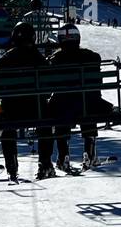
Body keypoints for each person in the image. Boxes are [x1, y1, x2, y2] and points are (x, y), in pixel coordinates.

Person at [47, 20, 111, 169]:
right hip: (89, 103)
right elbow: (97, 82)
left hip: (62, 105)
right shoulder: (92, 57)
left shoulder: (54, 60)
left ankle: (63, 156)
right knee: (88, 107)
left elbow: (49, 87)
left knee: (59, 113)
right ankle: (89, 153)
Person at [0, 21, 45, 181]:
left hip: (11, 110)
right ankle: (45, 163)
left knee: (7, 130)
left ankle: (12, 167)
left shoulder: (5, 59)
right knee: (45, 126)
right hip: (37, 109)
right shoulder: (39, 58)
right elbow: (49, 85)